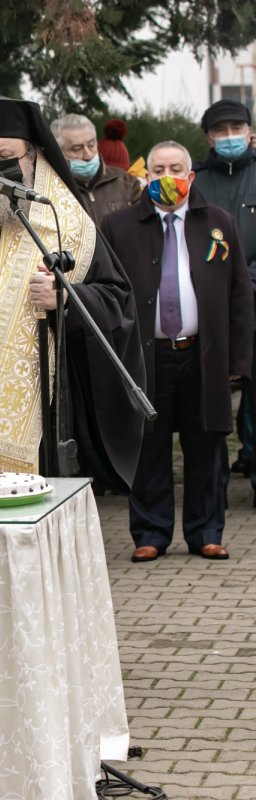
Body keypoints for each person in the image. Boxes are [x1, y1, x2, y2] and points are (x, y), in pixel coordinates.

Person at [0, 96, 145, 486]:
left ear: (32, 157)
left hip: (42, 418)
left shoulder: (68, 225)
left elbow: (117, 300)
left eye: (5, 155)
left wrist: (67, 299)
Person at [100, 140, 252, 563]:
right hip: (146, 358)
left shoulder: (218, 223)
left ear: (191, 176)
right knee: (149, 447)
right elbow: (109, 293)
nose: (167, 177)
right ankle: (151, 533)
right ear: (145, 176)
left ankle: (206, 532)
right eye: (158, 169)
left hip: (204, 356)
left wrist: (238, 361)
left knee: (207, 446)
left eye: (176, 168)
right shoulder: (120, 227)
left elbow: (240, 296)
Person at [191, 100, 256, 486]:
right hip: (208, 306)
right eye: (221, 130)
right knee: (210, 397)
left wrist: (244, 283)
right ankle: (209, 484)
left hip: (254, 299)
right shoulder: (196, 181)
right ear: (209, 137)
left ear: (250, 131)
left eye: (237, 128)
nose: (230, 136)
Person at [50, 113, 143, 226]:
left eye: (91, 145)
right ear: (58, 152)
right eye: (77, 149)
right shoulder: (49, 189)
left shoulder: (127, 183)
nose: (88, 155)